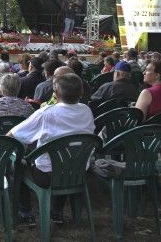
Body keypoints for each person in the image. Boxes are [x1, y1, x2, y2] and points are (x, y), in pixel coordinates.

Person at [8, 73, 95, 225]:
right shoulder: (86, 111)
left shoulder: (46, 113)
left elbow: (12, 136)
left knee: (17, 165)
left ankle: (25, 212)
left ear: (56, 93)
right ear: (81, 92)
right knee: (65, 161)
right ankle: (57, 211)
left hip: (47, 176)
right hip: (79, 172)